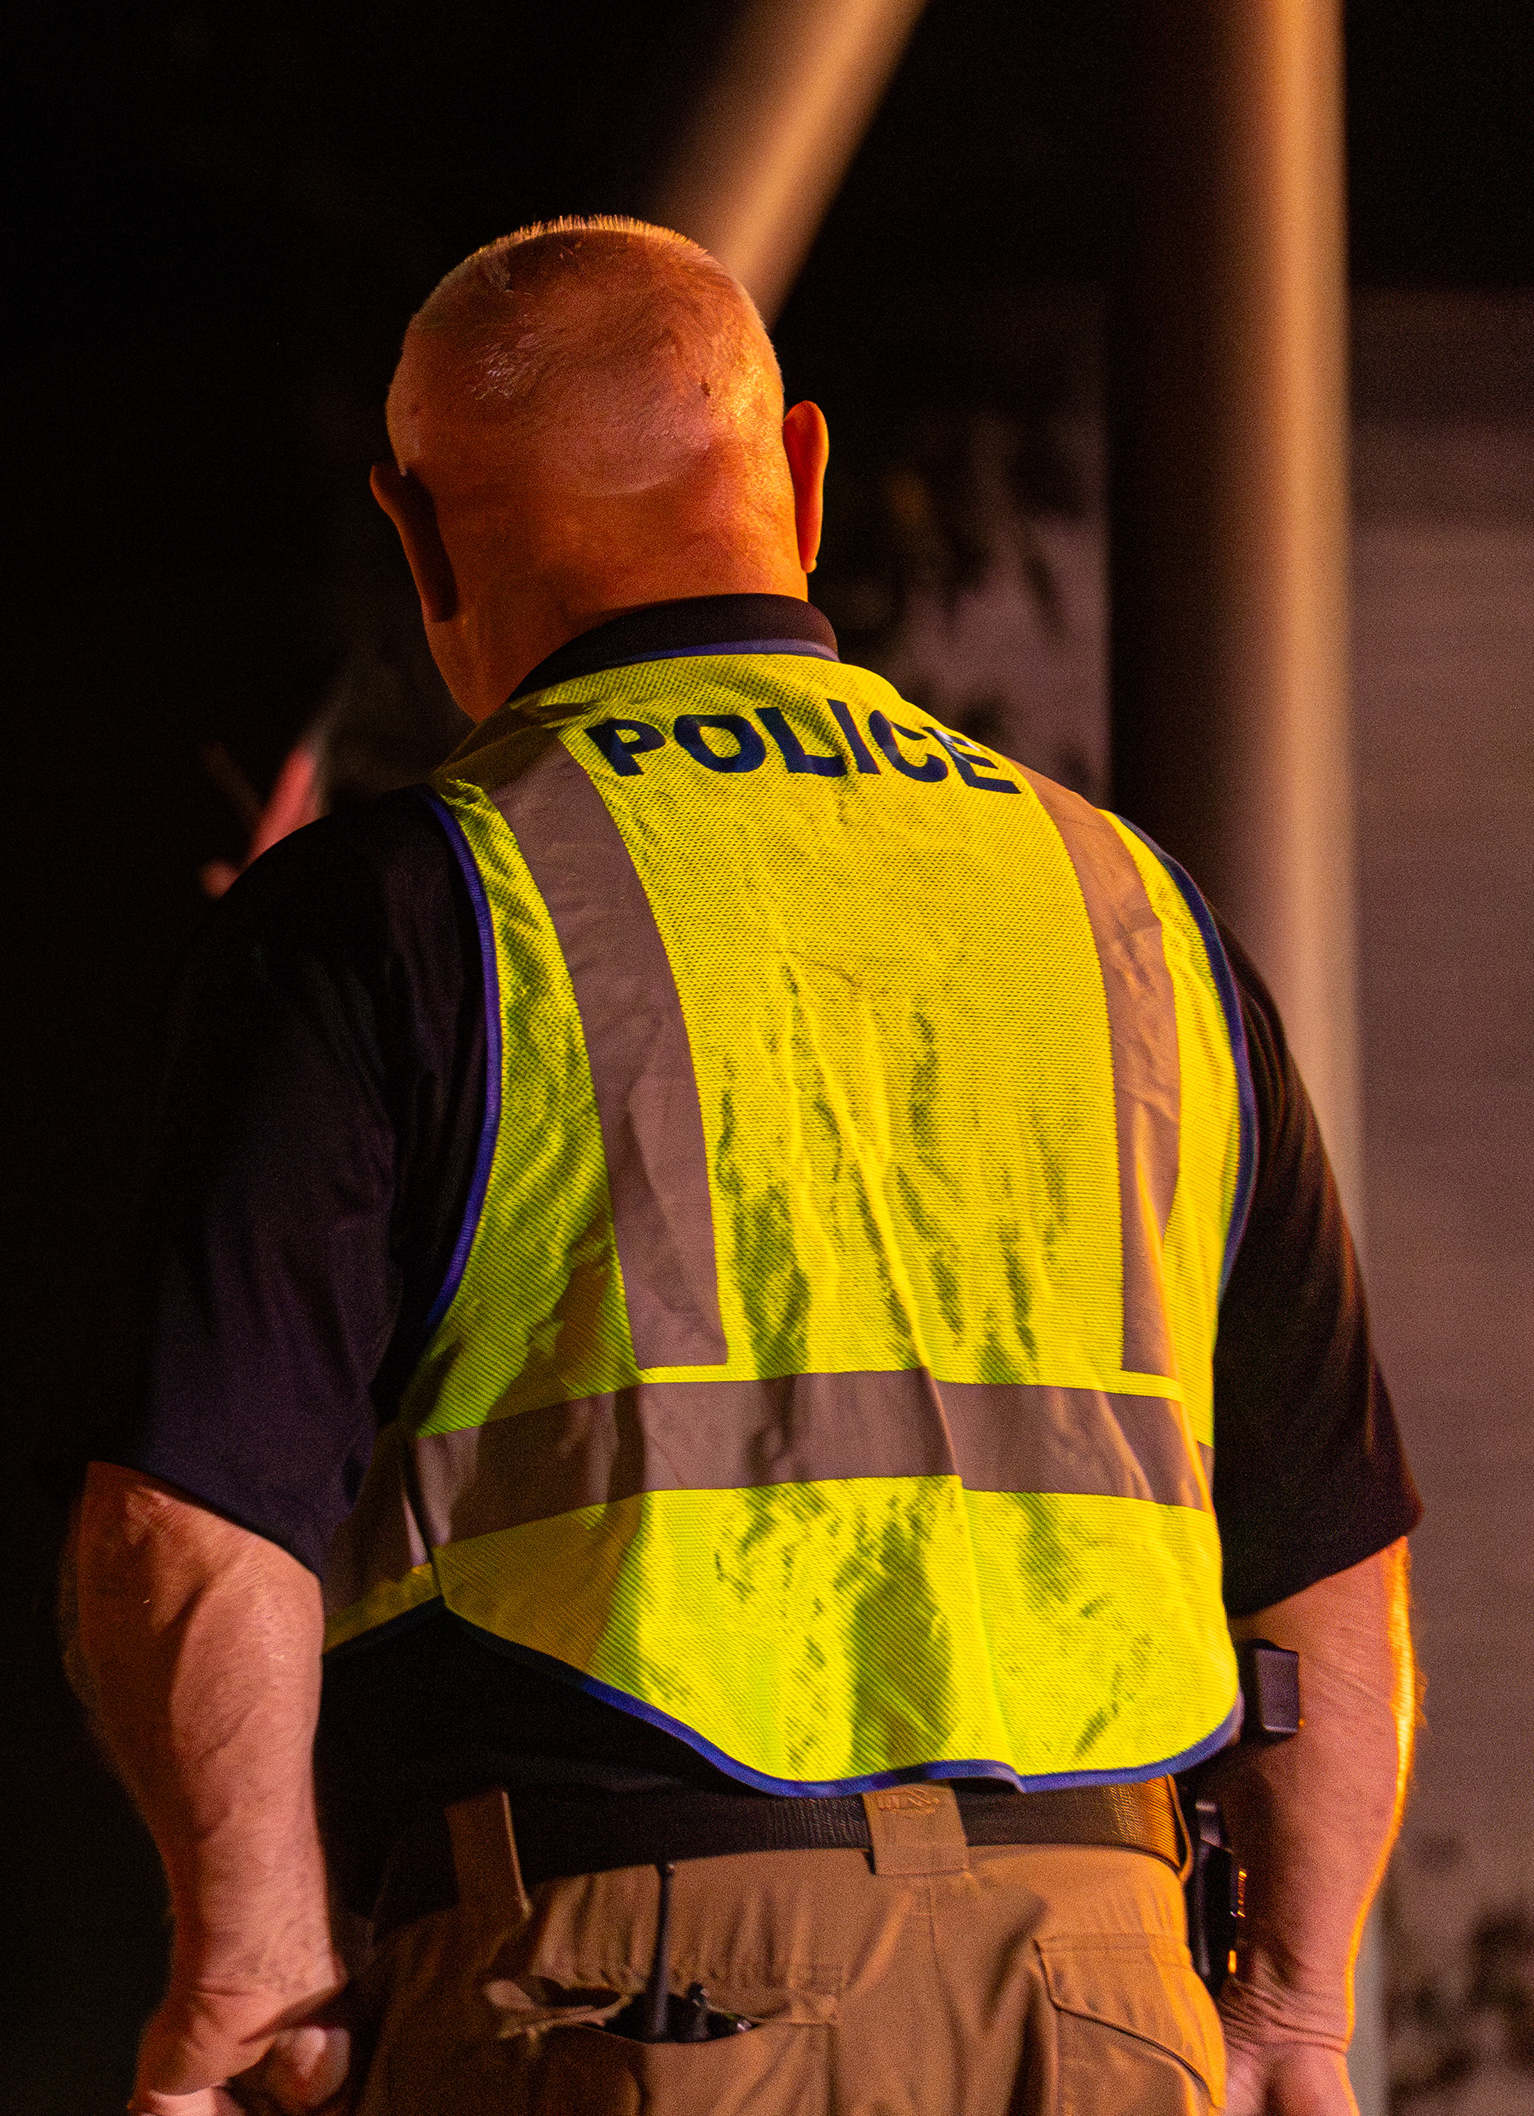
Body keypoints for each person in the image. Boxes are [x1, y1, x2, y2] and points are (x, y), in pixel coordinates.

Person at [70, 217, 1417, 2116]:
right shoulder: (1129, 911)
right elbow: (1331, 1557)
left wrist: (257, 1959)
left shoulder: (406, 913)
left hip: (620, 2005)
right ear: (795, 467)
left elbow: (192, 1530)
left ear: (422, 532)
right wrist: (1287, 2011)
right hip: (1112, 2008)